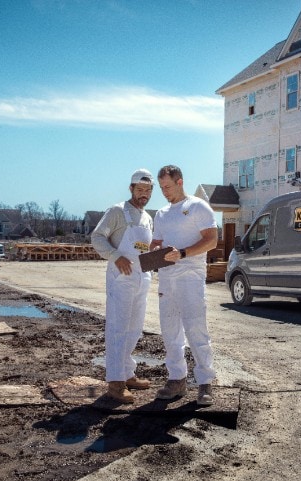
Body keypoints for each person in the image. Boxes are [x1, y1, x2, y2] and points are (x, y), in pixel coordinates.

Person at [149, 165, 218, 406]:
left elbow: (212, 240)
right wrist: (156, 250)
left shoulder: (198, 207)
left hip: (190, 276)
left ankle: (205, 382)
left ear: (180, 182)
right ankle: (177, 378)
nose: (164, 192)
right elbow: (155, 242)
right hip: (167, 277)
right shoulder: (162, 213)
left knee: (195, 328)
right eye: (161, 188)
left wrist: (184, 253)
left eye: (167, 186)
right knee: (170, 329)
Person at [90, 169, 155, 403]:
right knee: (118, 328)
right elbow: (97, 237)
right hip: (121, 278)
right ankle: (115, 383)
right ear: (131, 188)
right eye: (140, 190)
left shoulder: (147, 217)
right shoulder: (117, 211)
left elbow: (142, 248)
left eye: (148, 191)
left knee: (134, 328)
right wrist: (116, 255)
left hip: (141, 278)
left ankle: (127, 373)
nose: (144, 195)